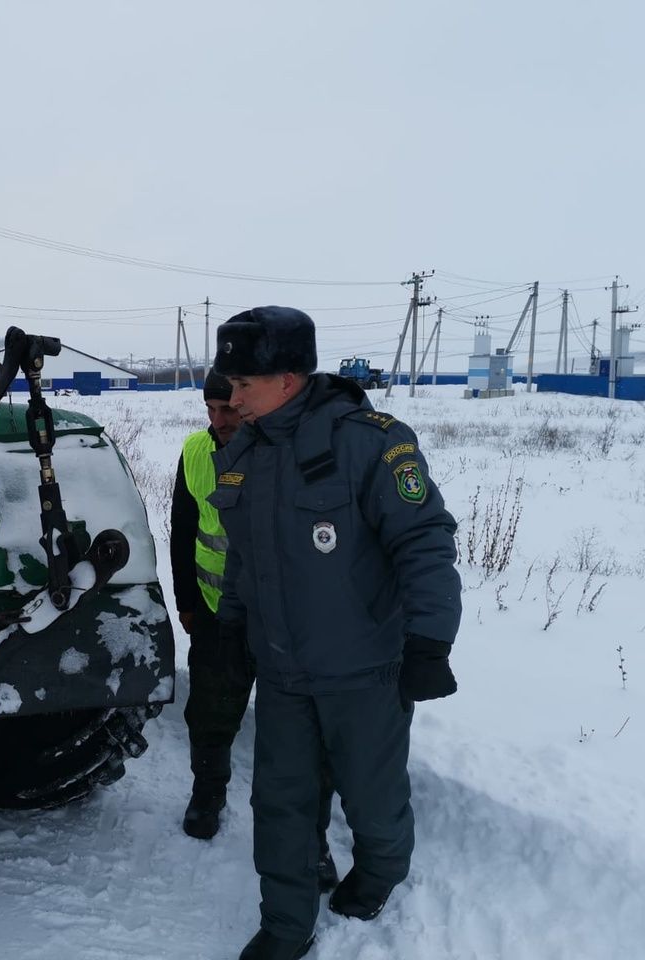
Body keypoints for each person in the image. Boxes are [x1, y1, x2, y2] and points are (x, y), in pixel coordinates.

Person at [208, 307, 462, 960]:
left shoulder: (371, 442)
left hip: (364, 671)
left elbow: (423, 541)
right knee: (281, 806)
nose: (230, 398)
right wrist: (231, 627)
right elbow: (243, 554)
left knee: (374, 803)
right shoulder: (242, 454)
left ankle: (379, 874)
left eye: (243, 384)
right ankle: (287, 926)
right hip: (284, 674)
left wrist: (430, 642)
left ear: (289, 378)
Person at [169, 374, 338, 890]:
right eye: (211, 409)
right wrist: (188, 601)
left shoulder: (287, 453)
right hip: (218, 614)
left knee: (297, 738)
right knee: (210, 714)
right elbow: (182, 528)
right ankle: (207, 795)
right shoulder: (196, 451)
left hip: (283, 622)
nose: (219, 421)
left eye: (229, 410)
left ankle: (312, 840)